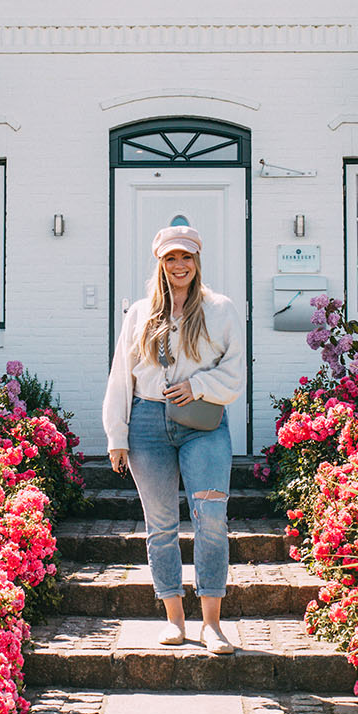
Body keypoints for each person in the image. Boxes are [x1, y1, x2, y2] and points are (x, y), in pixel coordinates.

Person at [102, 225, 246, 653]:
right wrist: (117, 435)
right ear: (159, 263)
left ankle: (212, 625)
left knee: (212, 519)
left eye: (185, 257)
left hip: (202, 425)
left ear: (197, 261)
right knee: (161, 526)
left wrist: (198, 385)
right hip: (147, 423)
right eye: (170, 258)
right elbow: (121, 376)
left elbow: (235, 374)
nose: (178, 265)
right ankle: (174, 620)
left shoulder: (220, 309)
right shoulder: (141, 313)